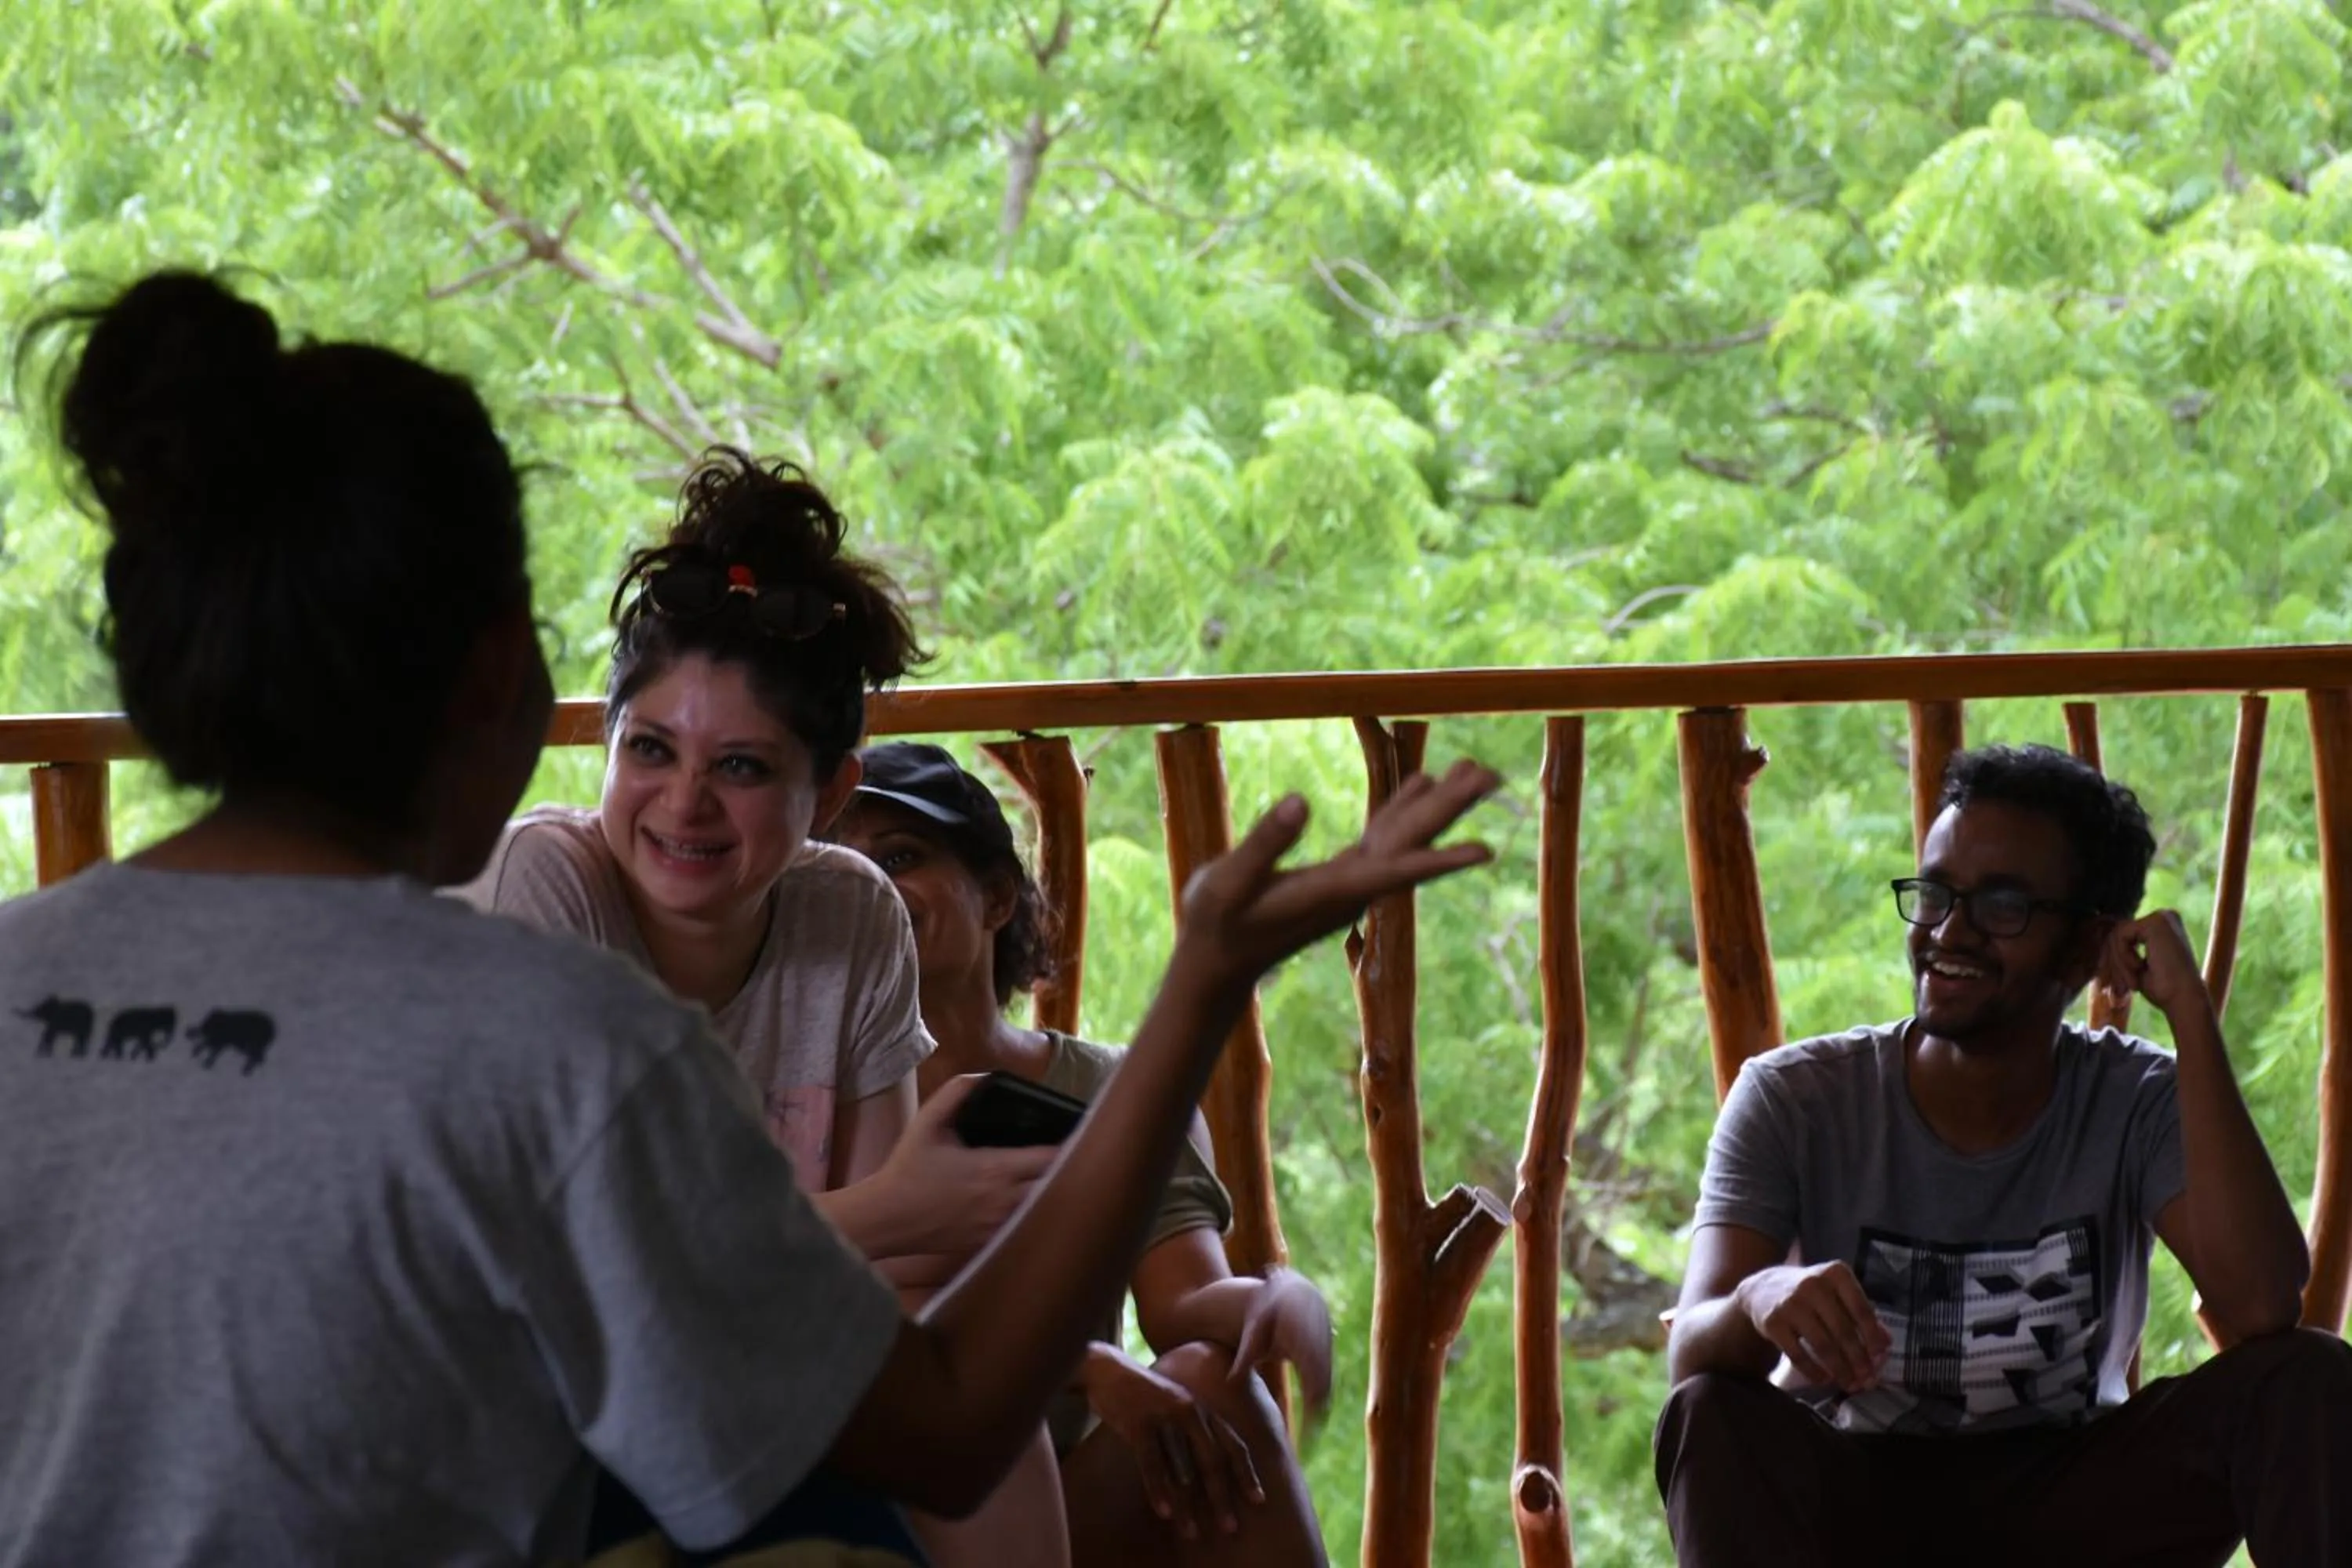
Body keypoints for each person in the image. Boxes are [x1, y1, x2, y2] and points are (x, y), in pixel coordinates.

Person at [0, 269, 1503, 1566]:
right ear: (498, 682)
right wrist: (1203, 988)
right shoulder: (560, 1048)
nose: (685, 799)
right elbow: (947, 1424)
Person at [454, 455, 1074, 1566]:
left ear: (829, 793)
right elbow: (580, 1296)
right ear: (607, 745)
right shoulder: (542, 891)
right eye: (650, 750)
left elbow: (877, 1294)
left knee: (986, 1436)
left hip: (749, 1396)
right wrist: (895, 1213)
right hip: (530, 1412)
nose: (684, 804)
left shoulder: (852, 916)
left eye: (740, 766)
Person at [1656, 742, 2349, 1568]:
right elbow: (1691, 1353)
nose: (1950, 930)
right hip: (1860, 1505)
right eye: (1937, 893)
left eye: (2004, 905)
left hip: (2075, 1507)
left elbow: (2263, 1308)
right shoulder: (1794, 1095)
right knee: (1710, 1410)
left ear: (2089, 943)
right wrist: (1760, 1294)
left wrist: (2191, 1015)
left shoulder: (2135, 1096)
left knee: (2306, 1374)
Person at [833, 743, 1334, 1568]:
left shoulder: (1107, 1088)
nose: (868, 888)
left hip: (1055, 1504)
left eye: (899, 857)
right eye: (840, 867)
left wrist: (1279, 1299)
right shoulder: (803, 1089)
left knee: (1211, 1383)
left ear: (995, 895)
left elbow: (1187, 1303)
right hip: (881, 1495)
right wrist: (1083, 1363)